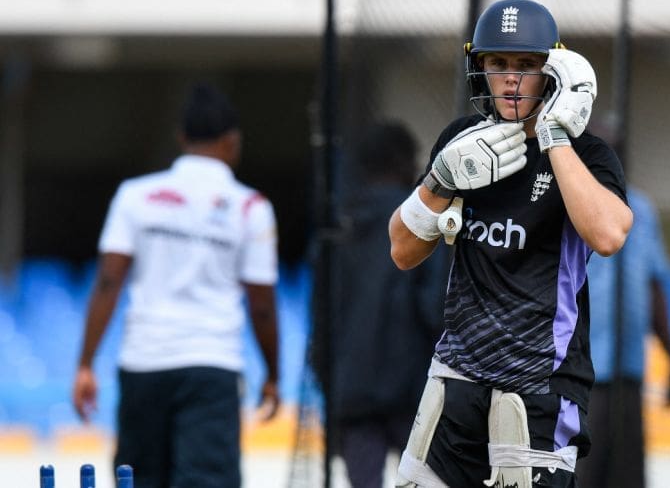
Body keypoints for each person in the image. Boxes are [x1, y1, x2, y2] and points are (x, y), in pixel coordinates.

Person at [388, 0, 633, 488]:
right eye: (497, 64)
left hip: (542, 382)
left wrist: (555, 137)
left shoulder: (587, 152)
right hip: (457, 374)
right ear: (479, 67)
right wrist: (439, 178)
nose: (511, 79)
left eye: (526, 65)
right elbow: (402, 250)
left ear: (553, 70)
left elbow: (608, 235)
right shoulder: (460, 139)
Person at [72, 83, 281, 488]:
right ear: (232, 142)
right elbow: (262, 305)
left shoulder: (136, 195)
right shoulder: (251, 207)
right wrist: (272, 373)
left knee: (140, 480)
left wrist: (85, 364)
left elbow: (107, 282)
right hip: (211, 367)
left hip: (143, 364)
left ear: (181, 138)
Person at [333, 122, 447, 488]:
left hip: (352, 384)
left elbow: (324, 312)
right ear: (404, 163)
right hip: (412, 384)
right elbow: (435, 307)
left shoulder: (339, 226)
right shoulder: (418, 222)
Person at [576, 186, 670, 488]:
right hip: (581, 372)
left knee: (628, 473)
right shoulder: (570, 199)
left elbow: (654, 284)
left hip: (629, 369)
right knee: (584, 470)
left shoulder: (642, 210)